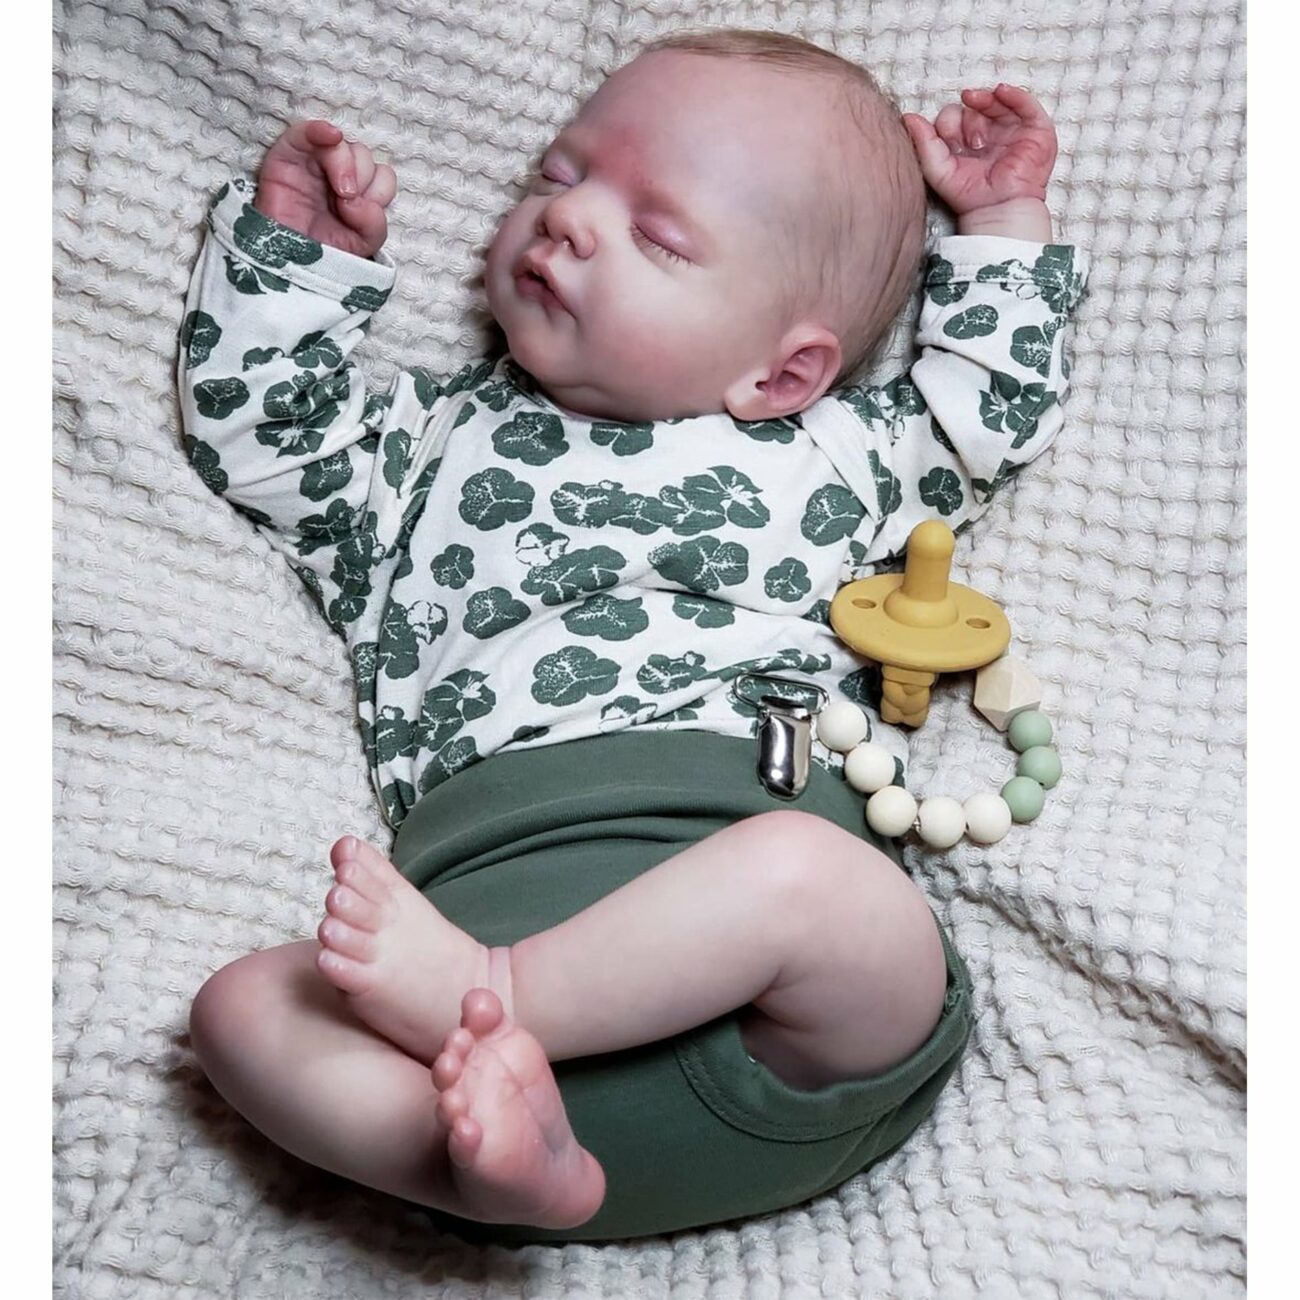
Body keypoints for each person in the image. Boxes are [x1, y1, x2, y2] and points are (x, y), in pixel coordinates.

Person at [180, 28, 1089, 1241]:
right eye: (557, 177)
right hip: (484, 994)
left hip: (775, 1024)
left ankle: (499, 1005)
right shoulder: (419, 452)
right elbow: (263, 433)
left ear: (783, 374)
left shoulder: (833, 456)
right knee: (238, 1009)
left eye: (658, 237)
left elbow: (990, 408)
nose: (567, 220)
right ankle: (488, 1168)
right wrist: (299, 260)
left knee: (818, 883)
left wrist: (1002, 224)